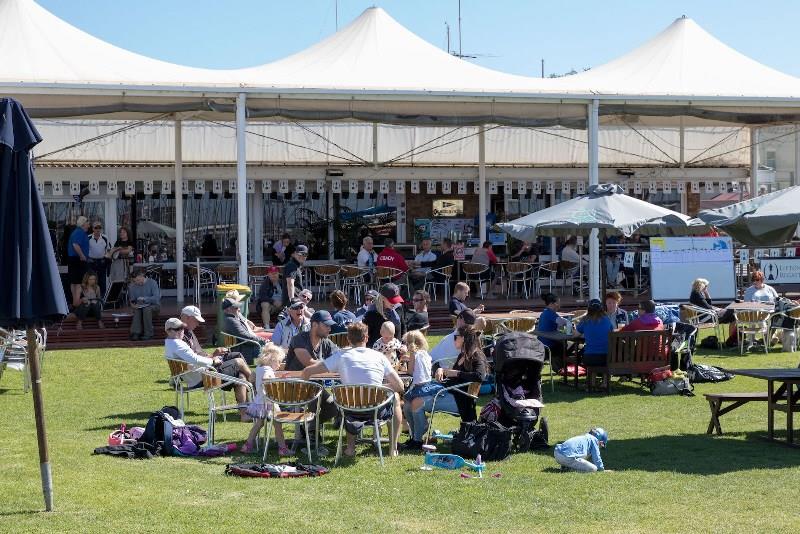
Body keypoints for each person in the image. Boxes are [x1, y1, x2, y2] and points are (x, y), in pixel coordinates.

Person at [302, 322, 405, 458]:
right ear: (367, 338)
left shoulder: (341, 356)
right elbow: (400, 386)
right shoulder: (379, 357)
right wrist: (379, 388)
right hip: (375, 409)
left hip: (349, 410)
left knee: (349, 403)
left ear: (348, 339)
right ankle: (393, 448)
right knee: (396, 397)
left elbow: (308, 371)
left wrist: (304, 387)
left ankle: (350, 448)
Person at [163, 318, 252, 420]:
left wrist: (212, 358)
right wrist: (213, 361)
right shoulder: (177, 344)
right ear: (168, 331)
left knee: (240, 374)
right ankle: (257, 387)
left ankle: (245, 413)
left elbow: (193, 358)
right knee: (238, 362)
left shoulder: (169, 343)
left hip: (196, 374)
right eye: (177, 329)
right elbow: (195, 359)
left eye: (182, 328)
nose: (181, 331)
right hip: (202, 377)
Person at [432, 325, 488, 422]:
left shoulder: (477, 355)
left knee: (418, 400)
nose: (453, 340)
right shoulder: (462, 355)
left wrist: (457, 373)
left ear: (463, 339)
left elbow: (479, 376)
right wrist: (441, 370)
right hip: (451, 391)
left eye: (455, 337)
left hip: (460, 397)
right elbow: (453, 377)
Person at [241, 345, 289, 455]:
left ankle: (247, 445)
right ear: (272, 360)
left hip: (259, 402)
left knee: (258, 424)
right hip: (270, 402)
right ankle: (282, 448)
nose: (279, 364)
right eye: (279, 361)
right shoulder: (268, 370)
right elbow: (267, 379)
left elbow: (251, 378)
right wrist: (276, 380)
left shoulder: (259, 368)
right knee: (278, 425)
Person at [400, 329, 440, 449]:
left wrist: (405, 366)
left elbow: (410, 371)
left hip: (418, 388)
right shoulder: (425, 354)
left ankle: (418, 433)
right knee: (407, 407)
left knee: (407, 406)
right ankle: (415, 435)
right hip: (428, 386)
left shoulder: (414, 355)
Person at [220, 296, 266, 364]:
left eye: (238, 307)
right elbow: (244, 336)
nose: (239, 309)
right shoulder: (231, 321)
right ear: (228, 309)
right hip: (245, 348)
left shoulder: (231, 318)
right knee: (271, 349)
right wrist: (261, 339)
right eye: (236, 308)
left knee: (271, 347)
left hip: (244, 345)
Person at [576, 299, 615, 372]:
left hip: (590, 357)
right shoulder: (606, 319)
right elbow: (611, 333)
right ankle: (605, 381)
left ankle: (591, 379)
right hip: (606, 357)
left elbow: (575, 335)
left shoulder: (585, 319)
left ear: (588, 308)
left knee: (580, 353)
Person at [537, 293, 570, 371]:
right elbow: (561, 322)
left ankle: (560, 365)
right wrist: (568, 321)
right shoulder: (550, 313)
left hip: (542, 342)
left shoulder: (545, 312)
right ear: (551, 304)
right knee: (564, 345)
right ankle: (559, 367)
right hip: (548, 343)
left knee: (565, 344)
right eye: (557, 303)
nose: (559, 305)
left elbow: (558, 325)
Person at [128, 269, 161, 340]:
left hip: (154, 306)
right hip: (140, 306)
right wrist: (133, 305)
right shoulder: (132, 286)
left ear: (141, 276)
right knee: (137, 310)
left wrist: (144, 299)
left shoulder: (152, 283)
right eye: (134, 281)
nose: (136, 282)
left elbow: (156, 298)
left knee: (146, 309)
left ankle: (149, 333)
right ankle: (136, 333)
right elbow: (132, 300)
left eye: (137, 280)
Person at [67, 216, 91, 308]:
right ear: (83, 223)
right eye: (88, 222)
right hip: (77, 259)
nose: (89, 225)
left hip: (74, 259)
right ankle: (76, 303)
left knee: (74, 282)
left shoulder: (77, 232)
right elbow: (75, 244)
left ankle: (75, 302)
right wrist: (82, 256)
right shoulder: (79, 232)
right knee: (78, 282)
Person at [87, 221, 111, 296]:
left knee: (102, 281)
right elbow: (84, 250)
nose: (98, 229)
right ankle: (92, 298)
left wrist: (106, 259)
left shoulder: (105, 238)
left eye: (99, 227)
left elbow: (108, 250)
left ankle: (102, 300)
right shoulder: (88, 238)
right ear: (93, 229)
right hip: (91, 262)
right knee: (91, 281)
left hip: (102, 262)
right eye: (96, 228)